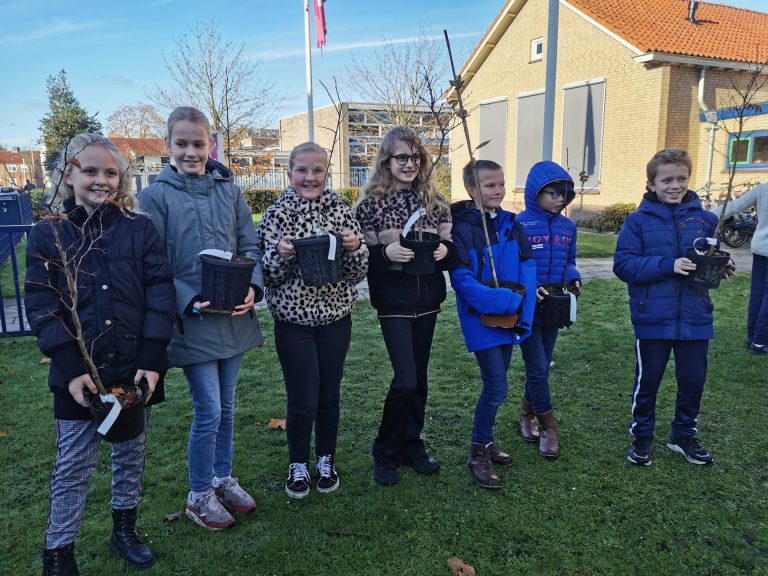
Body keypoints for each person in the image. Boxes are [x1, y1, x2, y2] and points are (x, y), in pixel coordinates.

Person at [25, 134, 175, 574]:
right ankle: (59, 551)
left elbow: (160, 295)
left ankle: (123, 528)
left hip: (132, 368)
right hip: (79, 375)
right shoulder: (49, 233)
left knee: (130, 453)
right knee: (74, 463)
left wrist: (151, 358)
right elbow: (41, 304)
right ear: (68, 174)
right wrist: (70, 367)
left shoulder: (139, 229)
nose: (101, 180)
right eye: (89, 171)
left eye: (111, 172)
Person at [139, 107, 264, 530]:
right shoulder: (154, 197)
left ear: (211, 144)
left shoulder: (229, 191)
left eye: (199, 143)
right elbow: (153, 263)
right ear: (168, 145)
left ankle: (221, 476)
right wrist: (188, 299)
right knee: (208, 409)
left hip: (234, 318)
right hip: (192, 322)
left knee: (227, 407)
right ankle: (198, 494)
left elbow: (250, 244)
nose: (191, 151)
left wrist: (253, 287)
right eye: (182, 143)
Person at [258, 142, 368, 499]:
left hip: (336, 318)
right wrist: (281, 255)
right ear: (290, 174)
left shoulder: (341, 211)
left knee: (329, 393)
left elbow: (357, 273)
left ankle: (326, 458)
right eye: (302, 170)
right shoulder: (277, 215)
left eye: (317, 170)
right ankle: (297, 463)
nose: (310, 177)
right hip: (294, 322)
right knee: (302, 396)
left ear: (327, 173)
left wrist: (356, 249)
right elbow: (267, 277)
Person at [614, 148, 734, 467]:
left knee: (693, 381)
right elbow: (623, 265)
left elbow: (709, 259)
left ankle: (682, 434)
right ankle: (642, 436)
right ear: (651, 183)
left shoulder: (705, 220)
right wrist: (668, 265)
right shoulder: (636, 222)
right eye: (666, 179)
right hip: (652, 317)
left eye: (682, 178)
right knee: (648, 381)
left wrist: (722, 265)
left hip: (696, 318)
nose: (675, 185)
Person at [355, 126, 457, 486]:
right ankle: (385, 450)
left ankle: (412, 445)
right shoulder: (370, 206)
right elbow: (361, 257)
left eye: (416, 158)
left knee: (420, 381)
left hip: (427, 301)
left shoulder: (435, 203)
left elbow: (451, 251)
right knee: (405, 379)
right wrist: (384, 252)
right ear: (386, 160)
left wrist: (447, 253)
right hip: (394, 304)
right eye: (402, 157)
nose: (410, 164)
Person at [450, 160, 537, 488]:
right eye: (489, 185)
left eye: (501, 183)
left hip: (511, 316)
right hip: (481, 318)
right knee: (497, 385)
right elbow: (461, 279)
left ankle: (485, 442)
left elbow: (528, 266)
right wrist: (501, 301)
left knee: (498, 384)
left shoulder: (512, 224)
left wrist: (521, 311)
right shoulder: (462, 228)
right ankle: (477, 452)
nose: (498, 190)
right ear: (472, 190)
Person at [516, 160, 581, 459]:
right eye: (552, 193)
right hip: (529, 307)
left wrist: (573, 278)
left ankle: (526, 413)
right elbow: (514, 265)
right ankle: (548, 428)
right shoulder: (520, 224)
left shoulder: (569, 227)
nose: (559, 199)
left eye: (563, 194)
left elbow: (570, 261)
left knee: (542, 365)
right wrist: (533, 285)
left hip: (556, 307)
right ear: (535, 192)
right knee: (538, 369)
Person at [710, 183, 768, 355]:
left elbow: (733, 207)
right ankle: (760, 341)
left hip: (760, 248)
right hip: (761, 249)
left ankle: (752, 337)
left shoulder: (763, 188)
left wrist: (701, 215)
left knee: (758, 293)